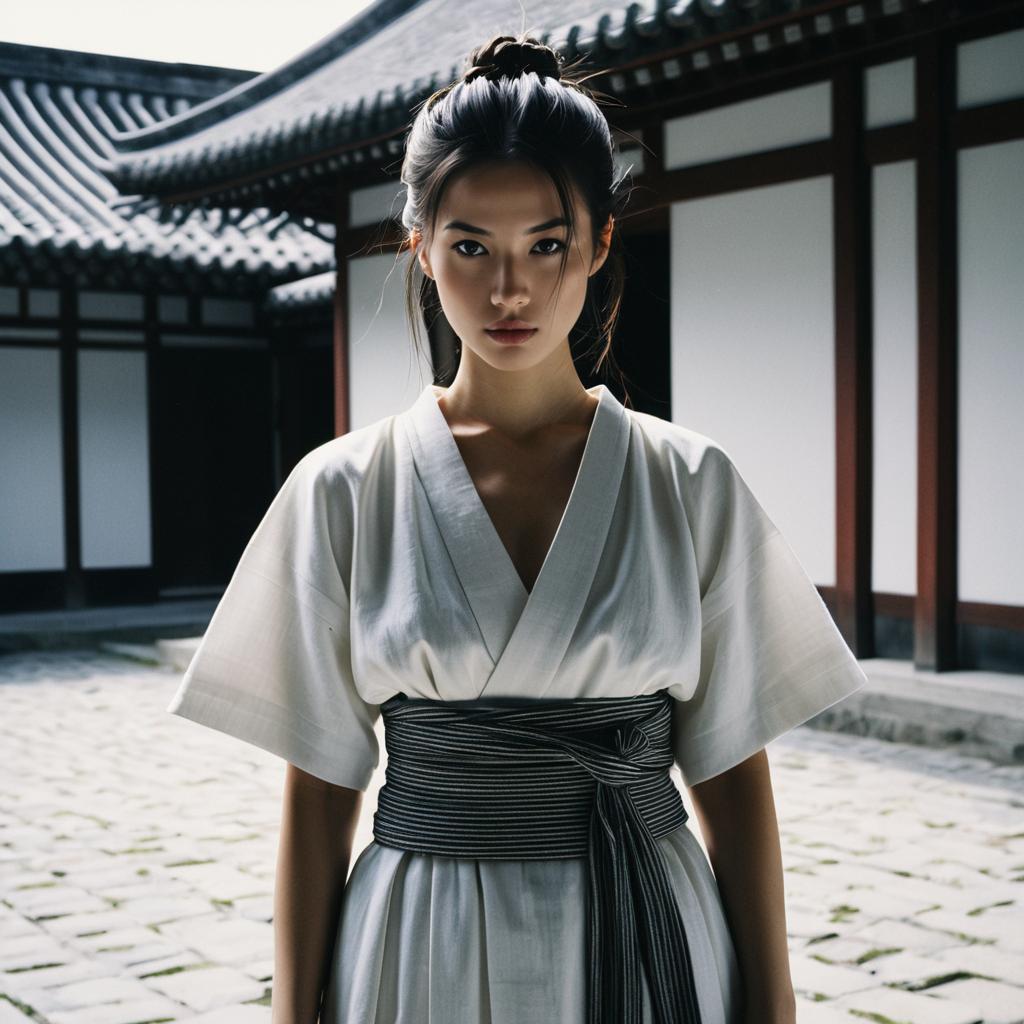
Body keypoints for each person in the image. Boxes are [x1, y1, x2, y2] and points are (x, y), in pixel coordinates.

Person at [165, 32, 869, 1024]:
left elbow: (731, 774)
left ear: (597, 243)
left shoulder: (690, 481)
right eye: (470, 247)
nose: (509, 290)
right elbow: (321, 791)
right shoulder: (344, 491)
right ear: (418, 244)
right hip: (421, 933)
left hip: (648, 922)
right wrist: (294, 1012)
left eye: (546, 244)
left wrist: (773, 1005)